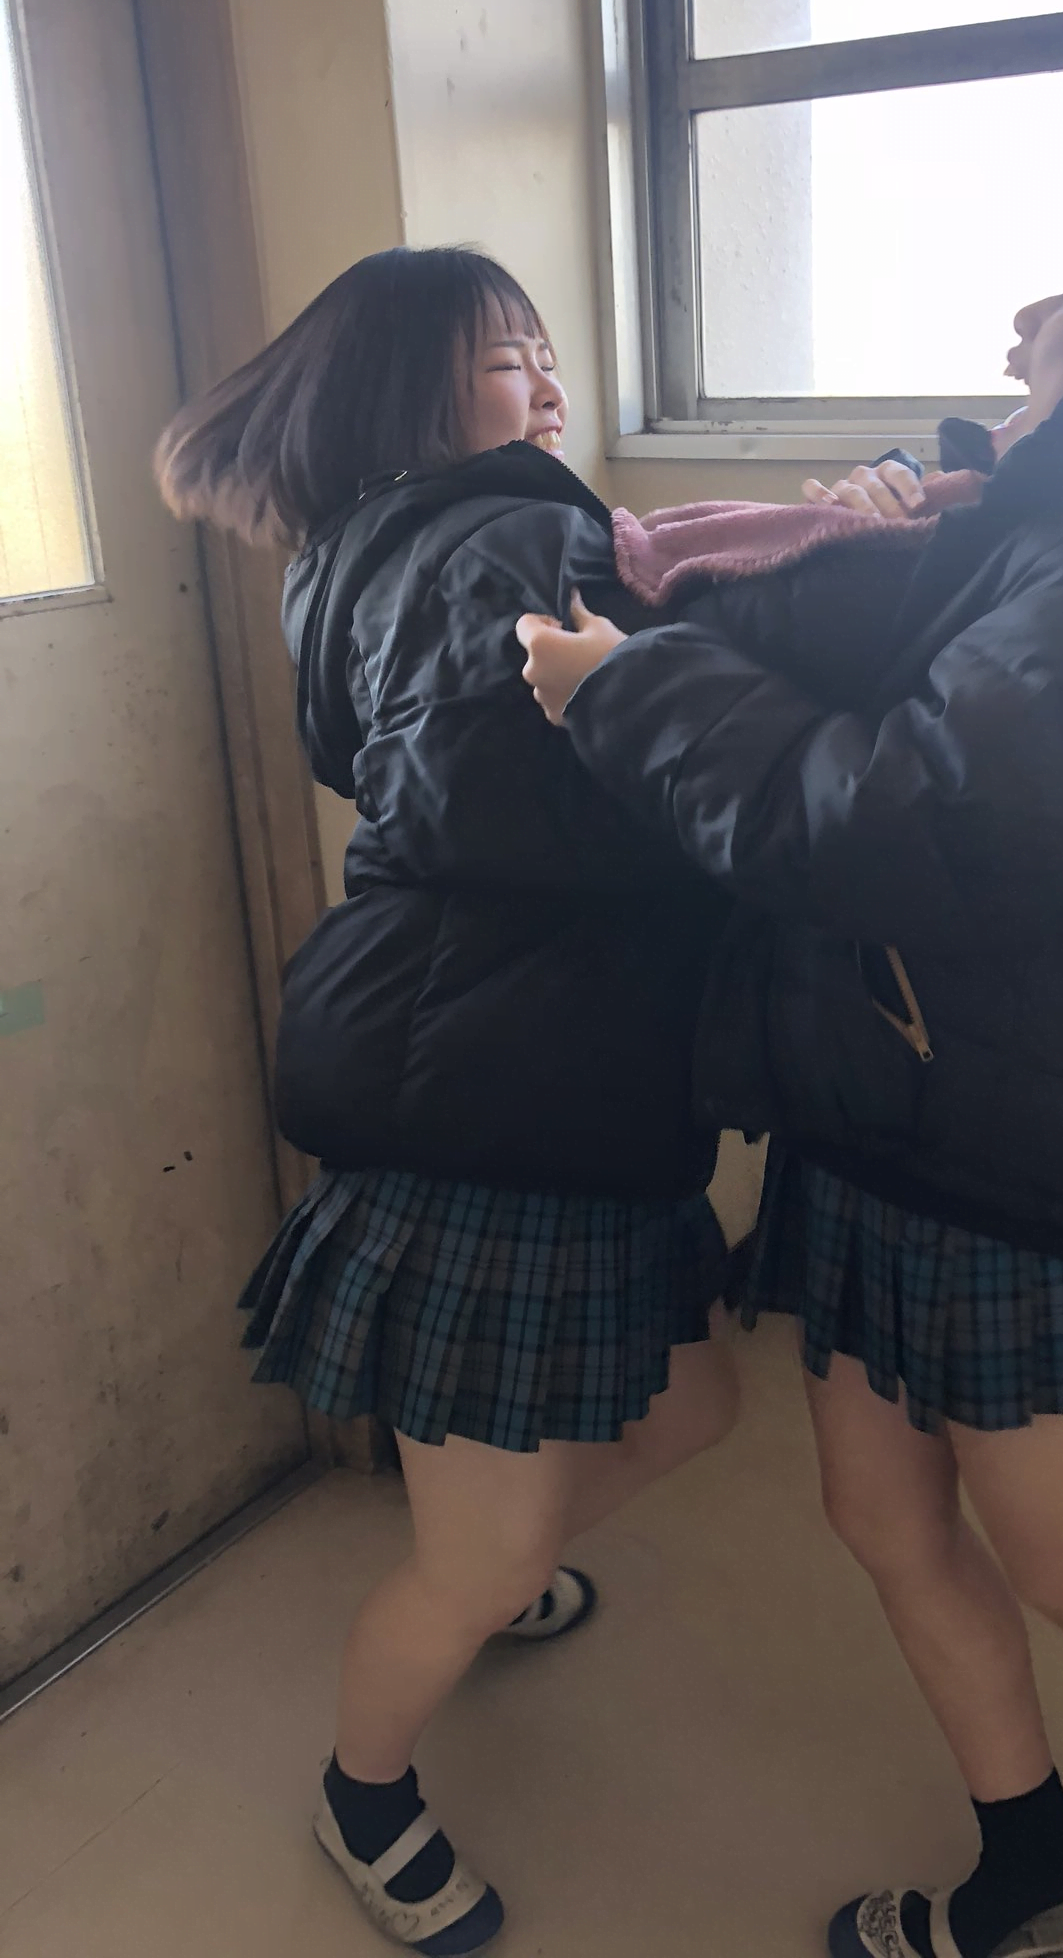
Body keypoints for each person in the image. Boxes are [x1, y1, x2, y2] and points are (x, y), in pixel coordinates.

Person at [518, 202, 1063, 1958]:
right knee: (878, 1511)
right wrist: (929, 506)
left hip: (1002, 1128)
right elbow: (925, 717)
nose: (1024, 321)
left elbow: (892, 827)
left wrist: (627, 692)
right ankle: (1030, 1853)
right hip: (886, 1089)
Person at [155, 246, 738, 1957]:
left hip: (521, 1061)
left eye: (546, 350)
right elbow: (522, 804)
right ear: (411, 392)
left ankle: (490, 1570)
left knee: (695, 1403)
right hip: (493, 1080)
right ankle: (366, 1793)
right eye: (505, 358)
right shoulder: (502, 538)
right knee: (489, 1543)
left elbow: (422, 771)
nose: (545, 381)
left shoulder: (387, 543)